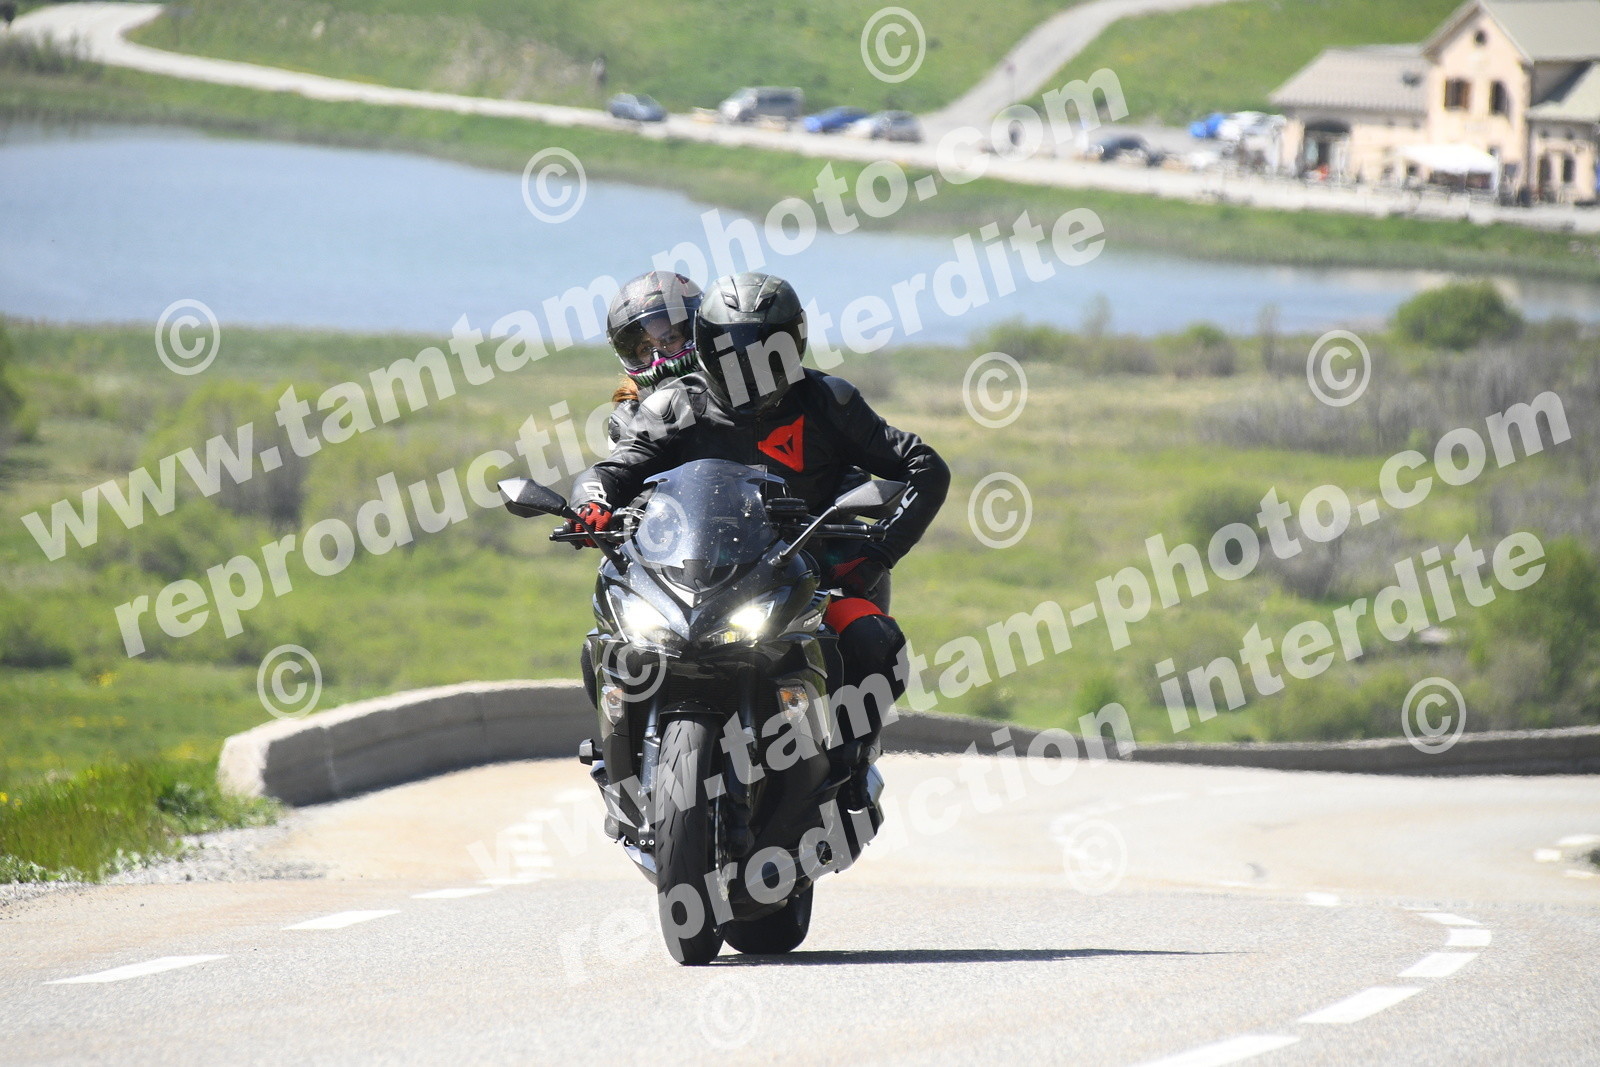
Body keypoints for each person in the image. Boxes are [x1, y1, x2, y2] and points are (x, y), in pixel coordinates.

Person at [569, 272, 949, 808]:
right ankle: (617, 757)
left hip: (808, 573)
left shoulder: (829, 400)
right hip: (691, 575)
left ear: (794, 346)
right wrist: (592, 502)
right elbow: (616, 468)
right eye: (731, 353)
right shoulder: (673, 405)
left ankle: (849, 768)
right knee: (606, 637)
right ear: (707, 346)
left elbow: (925, 467)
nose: (749, 369)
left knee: (874, 641)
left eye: (766, 353)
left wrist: (877, 552)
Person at [601, 271, 703, 447]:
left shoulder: (739, 389)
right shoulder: (628, 424)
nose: (659, 359)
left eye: (670, 338)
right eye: (645, 349)